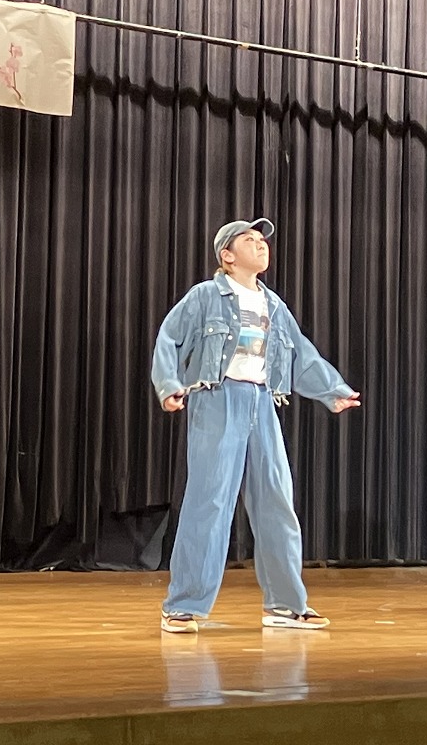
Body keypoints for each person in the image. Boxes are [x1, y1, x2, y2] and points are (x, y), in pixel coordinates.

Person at [151, 218, 360, 633]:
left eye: (262, 240)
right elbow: (169, 338)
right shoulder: (206, 296)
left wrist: (331, 389)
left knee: (276, 502)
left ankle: (285, 604)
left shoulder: (273, 305)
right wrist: (169, 385)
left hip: (262, 402)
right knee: (210, 501)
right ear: (227, 256)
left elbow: (301, 354)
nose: (260, 245)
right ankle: (184, 604)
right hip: (217, 399)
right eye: (249, 240)